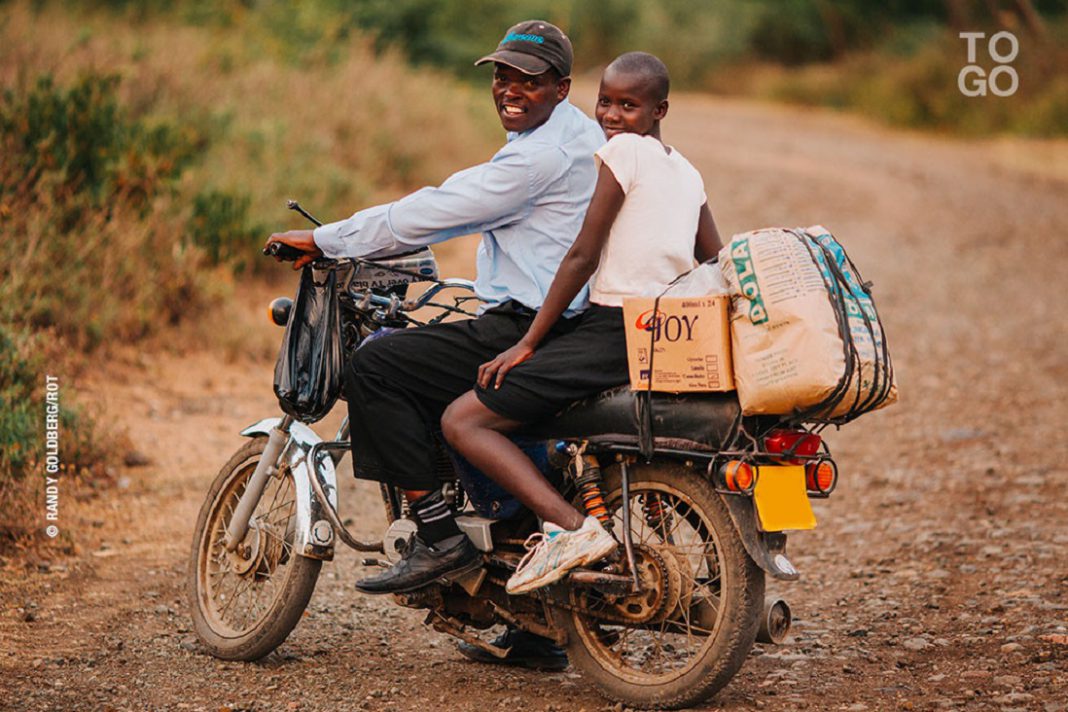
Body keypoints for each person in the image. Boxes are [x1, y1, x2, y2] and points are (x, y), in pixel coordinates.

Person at [264, 21, 608, 604]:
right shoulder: (583, 135)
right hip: (576, 322)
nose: (509, 90)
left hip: (531, 325)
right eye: (501, 76)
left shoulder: (534, 160)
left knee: (376, 365)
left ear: (561, 87)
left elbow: (433, 212)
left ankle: (438, 534)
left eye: (528, 80)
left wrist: (327, 240)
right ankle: (535, 631)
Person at [440, 51, 723, 595]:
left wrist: (527, 342)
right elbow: (713, 261)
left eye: (629, 105)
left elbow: (581, 256)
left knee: (464, 420)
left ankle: (570, 531)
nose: (613, 116)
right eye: (605, 103)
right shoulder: (686, 171)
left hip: (611, 328)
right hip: (658, 333)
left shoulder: (622, 153)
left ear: (660, 108)